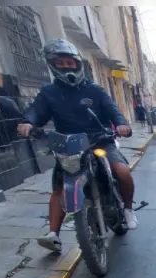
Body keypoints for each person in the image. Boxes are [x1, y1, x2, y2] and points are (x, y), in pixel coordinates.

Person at [17, 39, 137, 253]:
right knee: (59, 188)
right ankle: (53, 233)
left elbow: (114, 111)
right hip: (69, 146)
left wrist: (121, 125)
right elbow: (37, 111)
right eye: (61, 63)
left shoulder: (95, 90)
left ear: (78, 64)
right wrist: (28, 122)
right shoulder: (49, 93)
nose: (66, 67)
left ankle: (128, 209)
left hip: (100, 141)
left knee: (123, 172)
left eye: (70, 63)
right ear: (54, 65)